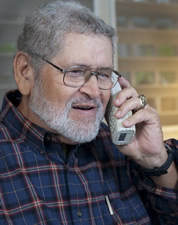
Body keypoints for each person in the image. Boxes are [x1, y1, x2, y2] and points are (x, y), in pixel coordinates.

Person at [0, 1, 177, 224]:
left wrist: (155, 160)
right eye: (75, 72)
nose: (94, 91)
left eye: (103, 74)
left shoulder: (123, 148)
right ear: (25, 72)